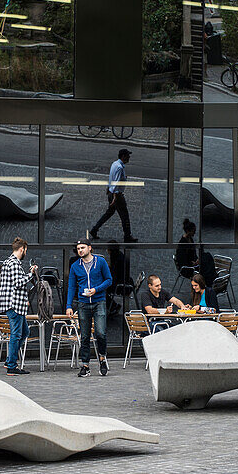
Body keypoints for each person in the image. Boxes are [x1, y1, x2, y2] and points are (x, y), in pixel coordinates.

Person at [66, 238, 112, 378]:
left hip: (99, 302)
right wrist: (69, 306)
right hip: (83, 303)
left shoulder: (100, 262)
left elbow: (109, 280)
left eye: (83, 248)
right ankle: (85, 365)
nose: (80, 250)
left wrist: (96, 290)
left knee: (100, 333)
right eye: (78, 248)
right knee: (84, 336)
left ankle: (102, 359)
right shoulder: (75, 266)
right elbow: (72, 287)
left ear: (89, 248)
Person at [0, 237, 38, 376]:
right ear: (22, 249)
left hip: (15, 304)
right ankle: (11, 366)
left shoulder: (10, 262)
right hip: (14, 305)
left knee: (24, 332)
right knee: (16, 334)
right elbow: (18, 283)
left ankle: (10, 360)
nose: (26, 252)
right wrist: (30, 274)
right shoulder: (14, 263)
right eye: (26, 250)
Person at [89, 148, 137, 242]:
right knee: (124, 216)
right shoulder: (120, 167)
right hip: (117, 195)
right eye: (128, 156)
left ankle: (95, 229)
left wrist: (108, 188)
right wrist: (115, 196)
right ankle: (127, 236)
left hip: (111, 193)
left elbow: (111, 177)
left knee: (109, 213)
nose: (129, 158)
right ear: (123, 156)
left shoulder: (114, 164)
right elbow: (116, 182)